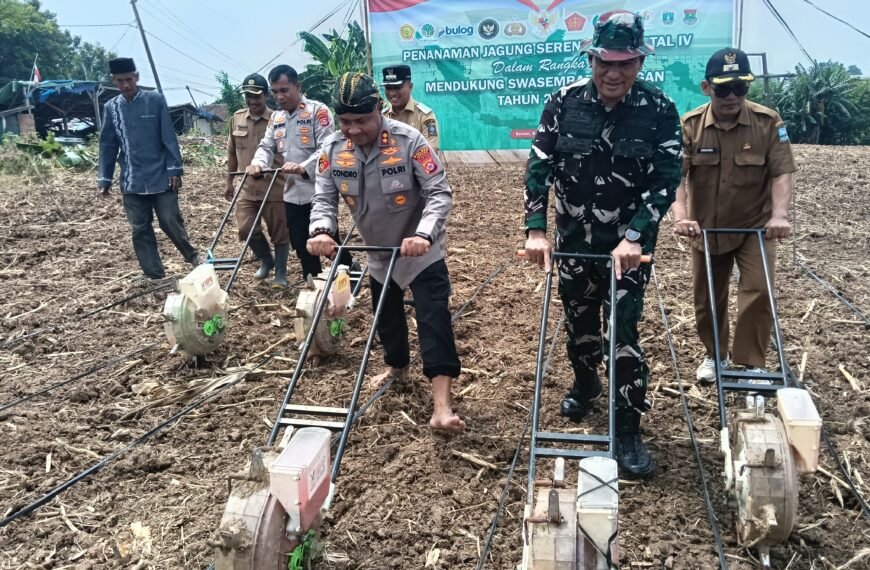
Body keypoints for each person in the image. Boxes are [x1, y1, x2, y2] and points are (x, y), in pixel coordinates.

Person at [522, 11, 681, 478]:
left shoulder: (659, 110)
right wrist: (535, 230)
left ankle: (628, 426)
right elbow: (538, 168)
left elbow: (666, 181)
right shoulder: (563, 103)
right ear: (591, 57)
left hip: (626, 254)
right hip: (573, 245)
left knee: (624, 337)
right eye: (605, 62)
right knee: (579, 325)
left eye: (626, 63)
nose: (614, 73)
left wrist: (634, 235)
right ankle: (586, 382)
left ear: (639, 61)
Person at [307, 72, 464, 432]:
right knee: (387, 320)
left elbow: (439, 192)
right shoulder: (332, 151)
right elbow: (324, 199)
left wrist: (423, 234)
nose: (353, 129)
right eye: (345, 122)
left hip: (420, 253)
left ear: (378, 109)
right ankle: (397, 367)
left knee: (433, 321)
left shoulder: (410, 142)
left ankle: (442, 405)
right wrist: (320, 230)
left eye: (362, 120)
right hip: (379, 256)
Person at [672, 48, 796, 383]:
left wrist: (780, 215)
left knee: (758, 291)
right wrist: (681, 214)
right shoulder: (691, 126)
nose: (731, 96)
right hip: (706, 228)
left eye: (740, 88)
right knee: (707, 298)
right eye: (723, 88)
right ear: (706, 87)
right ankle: (715, 356)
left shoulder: (767, 123)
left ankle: (752, 362)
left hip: (756, 227)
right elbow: (676, 177)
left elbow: (781, 172)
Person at [98, 57, 200, 280]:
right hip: (131, 180)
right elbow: (107, 144)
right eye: (120, 81)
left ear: (137, 77)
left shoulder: (154, 100)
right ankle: (154, 274)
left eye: (129, 79)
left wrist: (174, 169)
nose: (126, 85)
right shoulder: (111, 108)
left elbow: (168, 135)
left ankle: (192, 256)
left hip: (161, 175)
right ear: (114, 81)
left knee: (169, 220)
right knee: (140, 228)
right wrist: (104, 179)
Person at [246, 64, 350, 281]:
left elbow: (327, 148)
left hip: (318, 190)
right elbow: (267, 146)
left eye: (284, 90)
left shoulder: (318, 112)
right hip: (292, 193)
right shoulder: (276, 118)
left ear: (297, 86)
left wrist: (304, 166)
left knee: (328, 241)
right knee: (302, 245)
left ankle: (349, 270)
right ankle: (313, 286)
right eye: (275, 92)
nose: (279, 97)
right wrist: (257, 164)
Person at [226, 73, 290, 288]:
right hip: (247, 187)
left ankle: (281, 272)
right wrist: (229, 182)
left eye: (256, 96)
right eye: (248, 96)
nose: (252, 101)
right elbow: (232, 152)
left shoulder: (278, 119)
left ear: (265, 95)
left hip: (274, 186)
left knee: (279, 231)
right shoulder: (237, 118)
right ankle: (266, 259)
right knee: (245, 228)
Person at [381, 65, 440, 152]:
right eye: (388, 88)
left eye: (397, 87)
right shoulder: (382, 116)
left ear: (410, 86)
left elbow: (430, 151)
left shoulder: (425, 116)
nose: (392, 93)